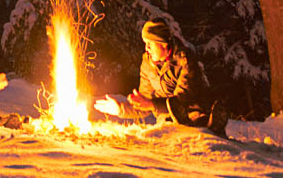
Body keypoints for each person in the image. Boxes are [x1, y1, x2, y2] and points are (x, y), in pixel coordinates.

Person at [94, 18, 228, 136]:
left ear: (163, 43)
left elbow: (183, 99)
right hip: (166, 120)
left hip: (192, 113)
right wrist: (121, 109)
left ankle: (211, 127)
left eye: (150, 44)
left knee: (193, 122)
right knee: (166, 124)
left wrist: (152, 104)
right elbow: (144, 102)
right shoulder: (147, 64)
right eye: (145, 43)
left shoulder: (184, 61)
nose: (146, 48)